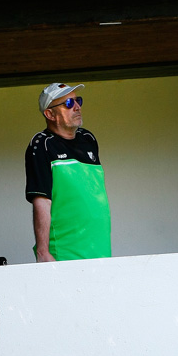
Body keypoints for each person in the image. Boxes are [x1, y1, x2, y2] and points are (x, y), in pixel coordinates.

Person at [25, 82, 111, 262]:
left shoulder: (88, 138)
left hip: (100, 247)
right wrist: (42, 251)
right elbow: (41, 200)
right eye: (68, 104)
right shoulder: (42, 144)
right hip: (66, 251)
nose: (77, 107)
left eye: (78, 101)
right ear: (50, 114)